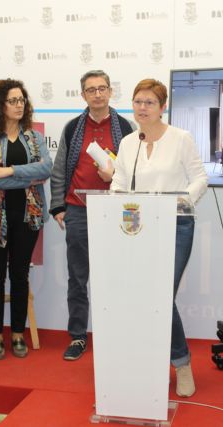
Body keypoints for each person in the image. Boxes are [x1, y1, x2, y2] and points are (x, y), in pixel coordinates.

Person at [110, 78, 208, 397]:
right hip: (137, 225)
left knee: (161, 296)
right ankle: (148, 362)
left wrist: (183, 199)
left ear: (163, 107)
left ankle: (181, 364)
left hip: (175, 223)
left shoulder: (181, 138)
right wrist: (114, 198)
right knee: (142, 297)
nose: (142, 108)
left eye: (150, 102)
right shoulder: (129, 142)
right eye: (138, 102)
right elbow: (119, 181)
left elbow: (200, 178)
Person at [49, 70, 133, 361]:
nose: (97, 94)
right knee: (78, 277)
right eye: (91, 90)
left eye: (102, 88)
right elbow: (59, 170)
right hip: (78, 211)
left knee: (117, 277)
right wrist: (58, 207)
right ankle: (77, 336)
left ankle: (116, 334)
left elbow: (135, 171)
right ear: (83, 95)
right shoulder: (73, 128)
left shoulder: (127, 127)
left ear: (110, 91)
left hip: (116, 212)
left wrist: (114, 176)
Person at [0, 79, 52, 360]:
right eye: (13, 101)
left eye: (22, 100)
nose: (20, 105)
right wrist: (29, 177)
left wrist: (8, 171)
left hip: (28, 216)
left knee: (20, 274)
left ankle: (18, 333)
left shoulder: (34, 137)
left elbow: (46, 168)